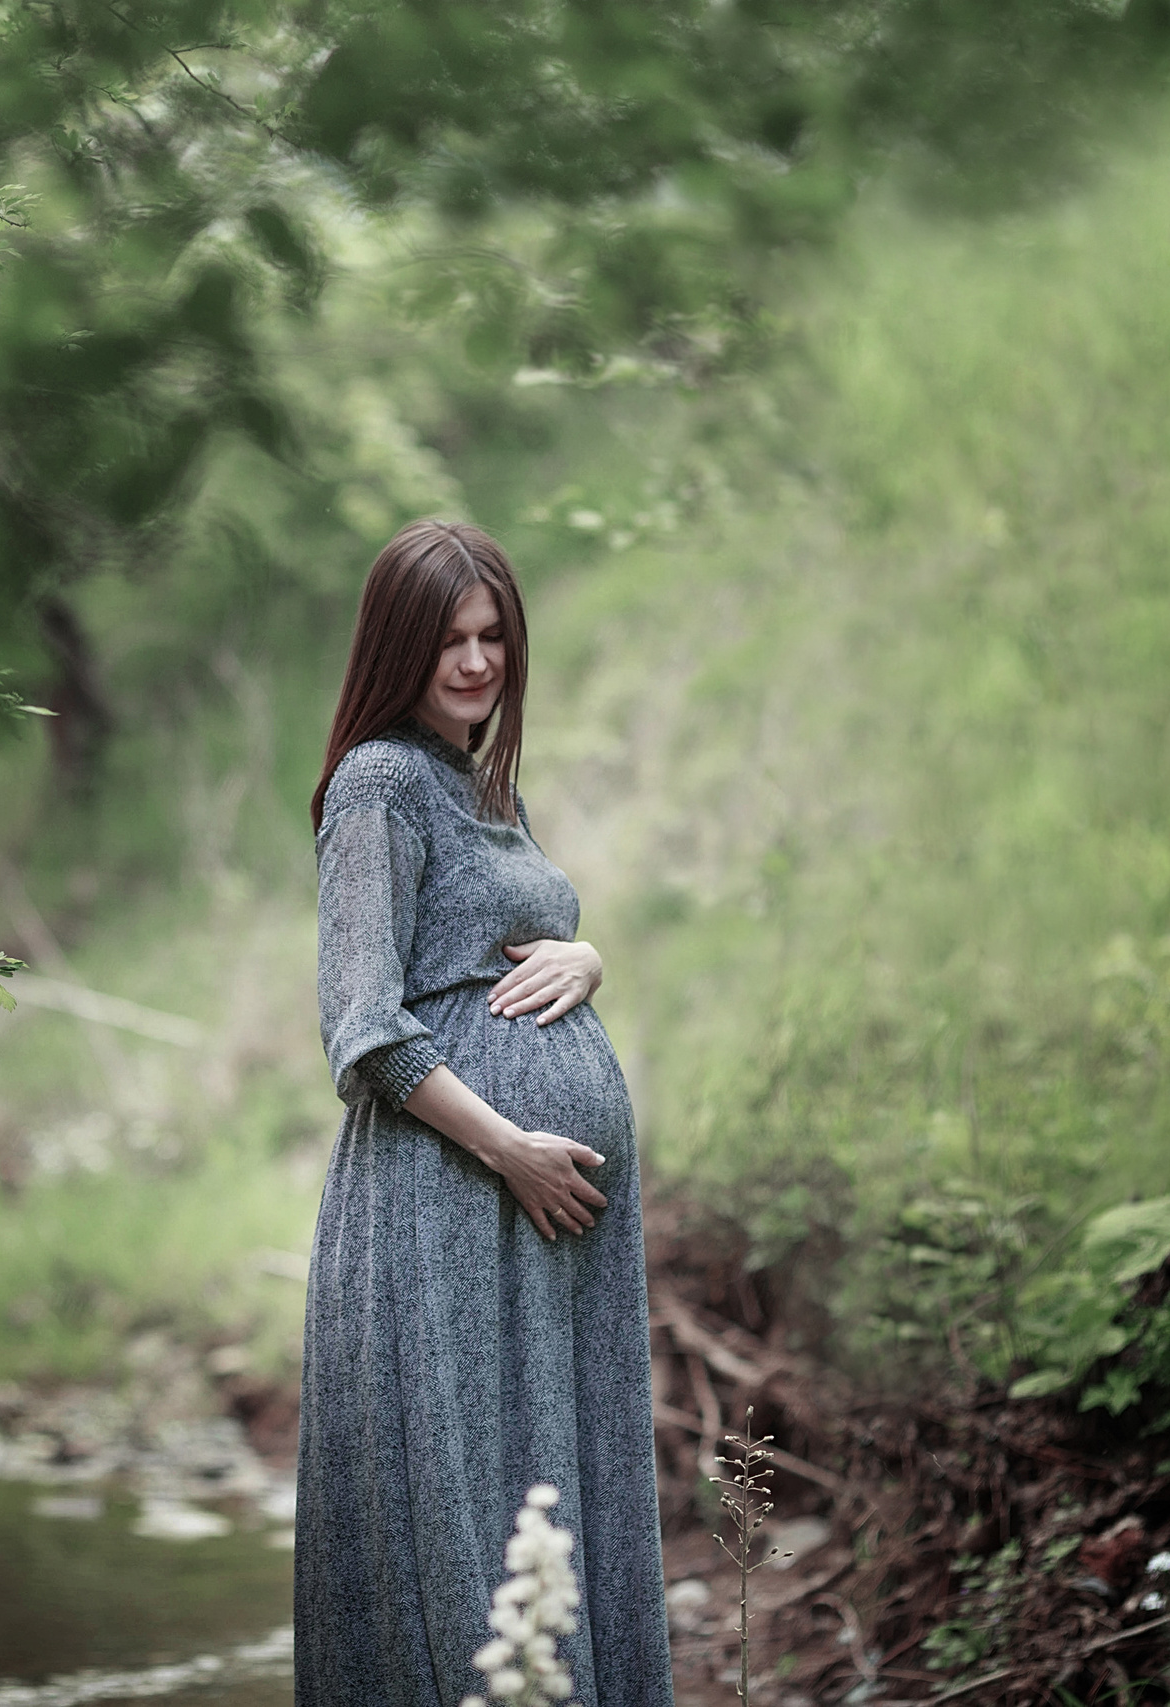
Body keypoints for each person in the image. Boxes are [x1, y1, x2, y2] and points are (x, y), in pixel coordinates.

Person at [296, 519, 672, 1707]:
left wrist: (591, 956)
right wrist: (509, 1149)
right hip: (448, 1202)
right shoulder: (380, 784)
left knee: (551, 1480)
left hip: (535, 1221)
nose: (474, 662)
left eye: (491, 635)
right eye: (447, 640)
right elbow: (362, 1025)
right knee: (464, 1496)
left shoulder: (473, 780)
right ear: (396, 649)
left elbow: (518, 935)